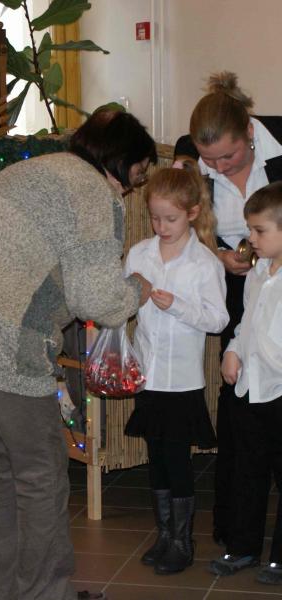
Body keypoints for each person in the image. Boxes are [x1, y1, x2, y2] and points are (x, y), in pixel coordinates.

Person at [0, 110, 157, 600]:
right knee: (42, 475)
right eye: (139, 172)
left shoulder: (35, 168)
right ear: (122, 159)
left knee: (13, 465)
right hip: (4, 338)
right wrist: (138, 288)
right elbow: (98, 300)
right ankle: (45, 594)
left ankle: (9, 590)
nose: (136, 185)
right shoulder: (93, 190)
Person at [175, 71, 282, 546]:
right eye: (209, 159)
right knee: (239, 409)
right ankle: (237, 533)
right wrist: (219, 258)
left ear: (250, 133)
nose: (218, 165)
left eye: (229, 156)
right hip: (238, 288)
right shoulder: (196, 163)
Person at [124, 157, 229, 574]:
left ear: (192, 213)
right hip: (147, 374)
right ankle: (165, 534)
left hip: (182, 381)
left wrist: (177, 305)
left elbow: (218, 320)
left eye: (170, 218)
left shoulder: (204, 263)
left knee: (178, 460)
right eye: (155, 218)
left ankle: (183, 542)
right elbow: (123, 304)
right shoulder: (139, 254)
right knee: (157, 457)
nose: (161, 226)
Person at [209, 181, 282, 585]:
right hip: (251, 389)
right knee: (248, 469)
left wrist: (263, 356)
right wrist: (234, 350)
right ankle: (243, 546)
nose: (250, 238)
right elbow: (245, 323)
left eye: (259, 231)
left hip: (279, 389)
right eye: (250, 229)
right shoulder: (257, 273)